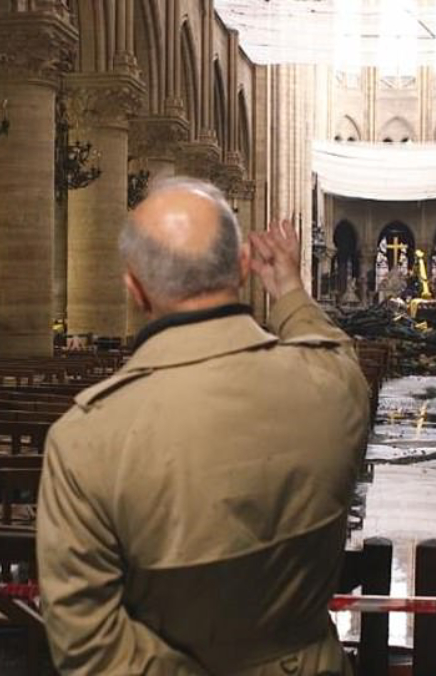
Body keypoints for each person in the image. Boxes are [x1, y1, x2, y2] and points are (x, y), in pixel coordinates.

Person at [36, 177, 370, 675]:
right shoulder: (334, 386)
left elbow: (89, 647)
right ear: (241, 267)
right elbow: (329, 343)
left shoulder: (83, 439)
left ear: (133, 288)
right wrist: (289, 289)